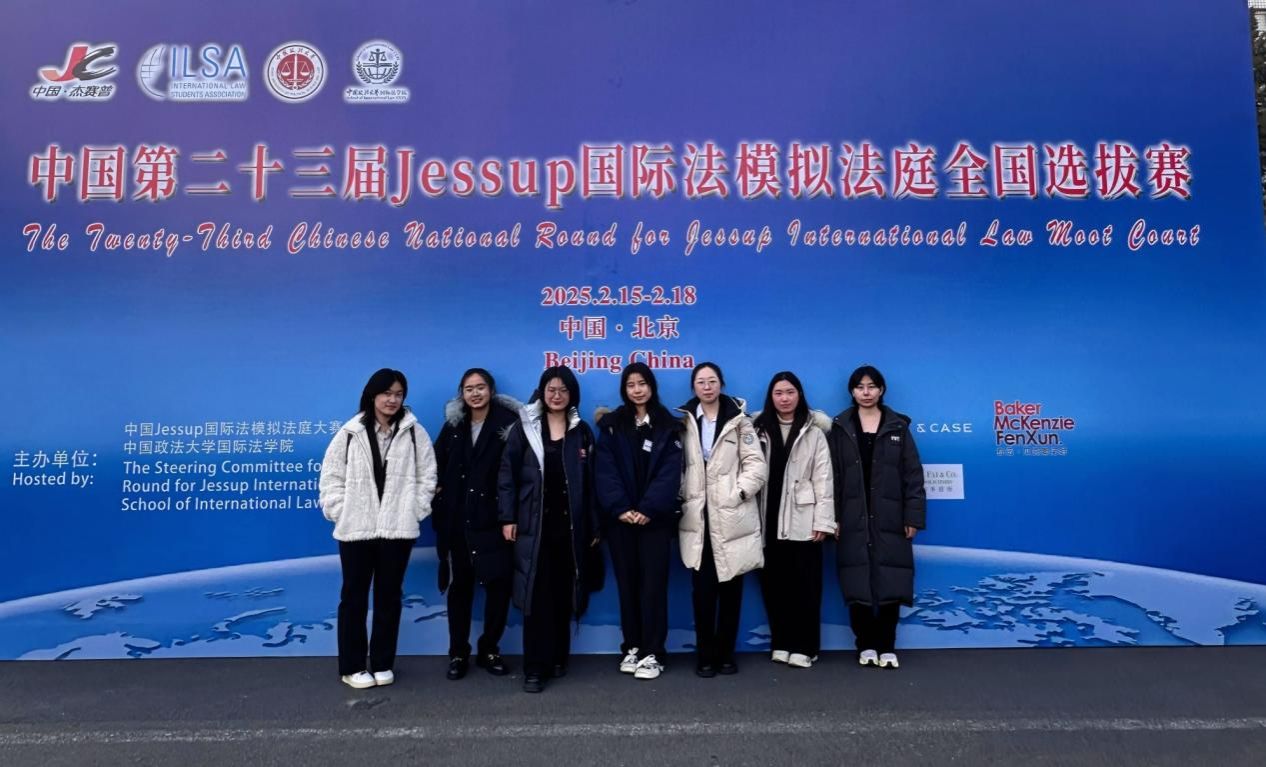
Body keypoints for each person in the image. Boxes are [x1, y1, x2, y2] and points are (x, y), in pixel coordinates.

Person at [319, 368, 437, 689]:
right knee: (353, 598)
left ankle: (383, 662)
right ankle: (353, 666)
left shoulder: (415, 433)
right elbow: (331, 477)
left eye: (398, 394)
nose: (392, 400)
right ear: (372, 395)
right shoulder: (350, 432)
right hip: (356, 530)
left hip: (397, 530)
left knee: (389, 597)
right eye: (386, 393)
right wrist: (342, 511)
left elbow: (427, 476)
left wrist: (415, 509)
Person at [498, 366, 599, 693]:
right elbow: (507, 476)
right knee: (536, 597)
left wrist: (593, 526)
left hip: (569, 529)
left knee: (562, 593)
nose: (556, 395)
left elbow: (592, 484)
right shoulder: (525, 428)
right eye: (551, 389)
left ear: (572, 395)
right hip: (534, 528)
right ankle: (535, 667)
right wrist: (508, 518)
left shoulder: (581, 431)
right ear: (542, 392)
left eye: (563, 390)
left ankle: (558, 657)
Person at [826, 365, 926, 670]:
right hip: (851, 517)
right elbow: (831, 477)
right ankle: (865, 645)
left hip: (891, 517)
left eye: (872, 386)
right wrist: (832, 518)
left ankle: (887, 646)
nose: (866, 392)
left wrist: (913, 517)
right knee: (857, 580)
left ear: (881, 390)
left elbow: (913, 476)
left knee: (890, 579)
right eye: (860, 387)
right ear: (852, 391)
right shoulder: (840, 427)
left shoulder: (898, 427)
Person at [677, 362, 767, 677]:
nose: (707, 387)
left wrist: (738, 493)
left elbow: (756, 464)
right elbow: (678, 466)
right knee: (702, 593)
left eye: (712, 381)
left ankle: (726, 653)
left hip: (732, 517)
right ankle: (705, 655)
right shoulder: (685, 421)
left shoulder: (739, 421)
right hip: (698, 520)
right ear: (694, 387)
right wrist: (684, 495)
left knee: (731, 591)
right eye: (701, 382)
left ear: (721, 384)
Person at [595, 362, 683, 681]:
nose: (637, 390)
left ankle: (653, 652)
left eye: (642, 383)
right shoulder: (611, 425)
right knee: (628, 586)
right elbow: (604, 470)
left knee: (653, 588)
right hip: (621, 523)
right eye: (631, 384)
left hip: (655, 522)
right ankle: (632, 646)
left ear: (651, 386)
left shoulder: (668, 426)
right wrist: (620, 508)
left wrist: (649, 508)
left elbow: (671, 472)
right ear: (624, 389)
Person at [431, 368, 521, 681]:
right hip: (458, 522)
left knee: (498, 587)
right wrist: (438, 492)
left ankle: (490, 649)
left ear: (491, 390)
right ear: (462, 394)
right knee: (460, 589)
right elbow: (435, 463)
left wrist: (510, 515)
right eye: (469, 389)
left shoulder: (509, 424)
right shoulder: (454, 426)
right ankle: (458, 652)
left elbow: (518, 471)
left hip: (494, 521)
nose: (475, 393)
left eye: (480, 387)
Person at [752, 371, 836, 670]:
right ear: (770, 397)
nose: (785, 398)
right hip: (766, 519)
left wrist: (823, 521)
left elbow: (824, 479)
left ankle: (806, 646)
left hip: (804, 519)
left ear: (799, 395)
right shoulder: (757, 429)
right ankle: (781, 642)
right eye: (778, 393)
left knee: (806, 587)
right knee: (773, 586)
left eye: (790, 392)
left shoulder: (814, 431)